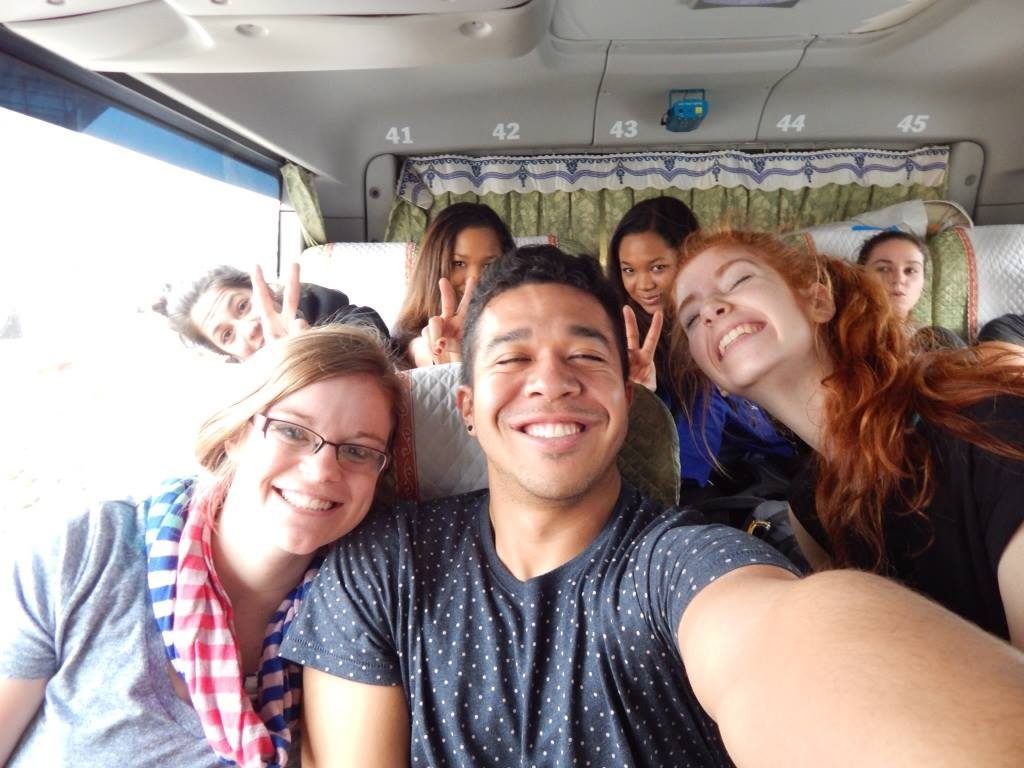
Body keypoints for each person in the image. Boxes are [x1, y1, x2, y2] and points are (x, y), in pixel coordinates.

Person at [281, 245, 1024, 768]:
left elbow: (787, 636)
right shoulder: (382, 565)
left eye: (587, 356)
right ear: (467, 409)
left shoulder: (685, 561)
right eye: (512, 357)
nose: (552, 381)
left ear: (628, 400)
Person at [0, 324, 401, 766]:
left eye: (359, 451)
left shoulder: (369, 615)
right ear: (236, 434)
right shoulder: (90, 552)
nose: (323, 469)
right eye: (292, 431)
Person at [672, 228, 1024, 647]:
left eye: (739, 280)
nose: (711, 309)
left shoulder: (985, 422)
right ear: (716, 379)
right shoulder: (811, 509)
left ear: (817, 301)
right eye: (692, 318)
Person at [607, 197, 791, 492]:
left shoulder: (719, 314)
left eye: (657, 268)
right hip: (680, 451)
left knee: (706, 393)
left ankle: (684, 491)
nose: (643, 285)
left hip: (754, 445)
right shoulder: (625, 330)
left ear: (687, 259)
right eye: (629, 270)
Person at [157, 263, 390, 361]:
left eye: (242, 306)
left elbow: (369, 332)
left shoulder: (327, 308)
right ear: (231, 356)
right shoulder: (248, 393)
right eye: (227, 336)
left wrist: (308, 350)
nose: (249, 329)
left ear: (266, 290)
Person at [392, 201, 515, 368]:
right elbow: (418, 348)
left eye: (488, 265)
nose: (474, 279)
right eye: (458, 264)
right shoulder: (412, 343)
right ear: (433, 268)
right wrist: (435, 353)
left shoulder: (522, 328)